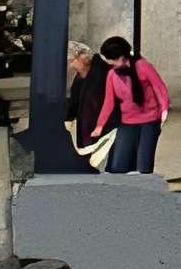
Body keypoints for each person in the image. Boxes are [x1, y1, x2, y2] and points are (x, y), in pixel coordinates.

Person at [94, 33, 167, 175]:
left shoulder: (142, 66)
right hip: (127, 121)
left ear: (121, 58)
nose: (110, 64)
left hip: (150, 120)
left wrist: (164, 108)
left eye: (111, 61)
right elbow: (108, 102)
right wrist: (100, 125)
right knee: (118, 165)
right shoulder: (112, 75)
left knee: (143, 166)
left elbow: (159, 87)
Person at [67, 43, 110, 171]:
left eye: (71, 61)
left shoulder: (101, 75)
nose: (69, 65)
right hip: (89, 135)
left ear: (80, 59)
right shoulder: (80, 78)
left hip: (104, 132)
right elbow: (74, 105)